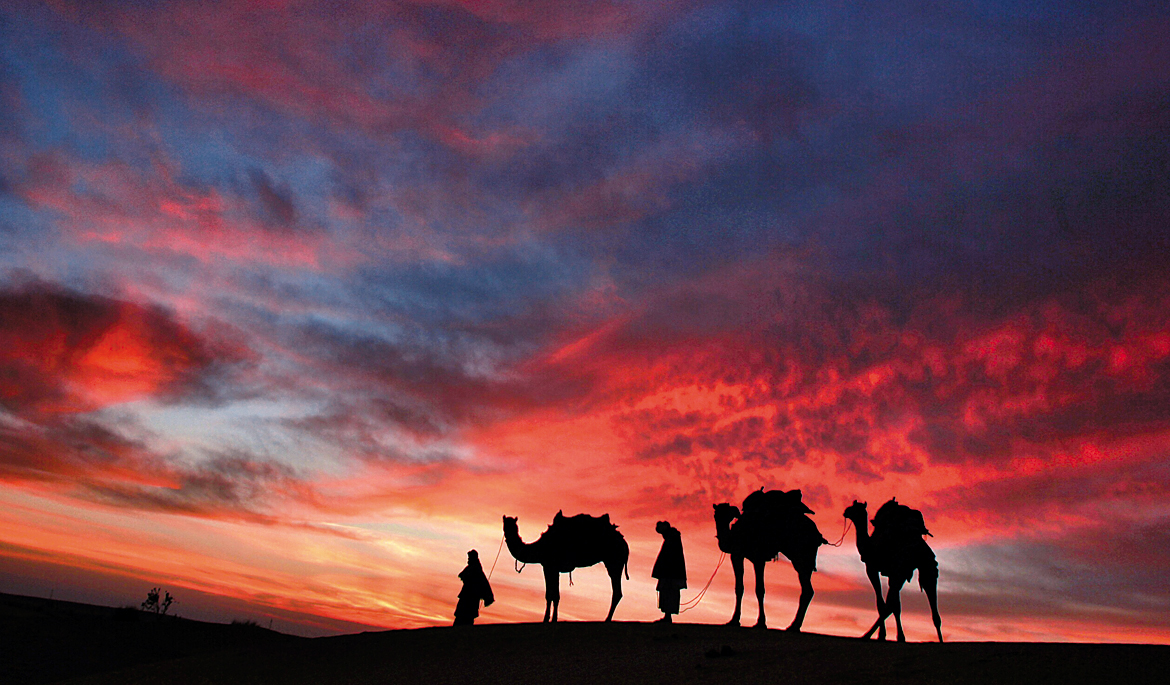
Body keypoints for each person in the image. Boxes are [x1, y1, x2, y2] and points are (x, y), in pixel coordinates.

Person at [651, 521, 687, 623]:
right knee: (668, 593)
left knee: (669, 592)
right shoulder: (672, 537)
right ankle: (667, 616)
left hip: (670, 573)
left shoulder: (672, 538)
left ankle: (668, 616)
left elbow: (669, 557)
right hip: (670, 572)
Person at [454, 549, 494, 626]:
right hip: (467, 596)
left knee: (466, 617)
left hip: (471, 597)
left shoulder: (475, 569)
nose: (468, 559)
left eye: (469, 557)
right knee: (462, 617)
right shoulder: (472, 568)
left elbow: (482, 583)